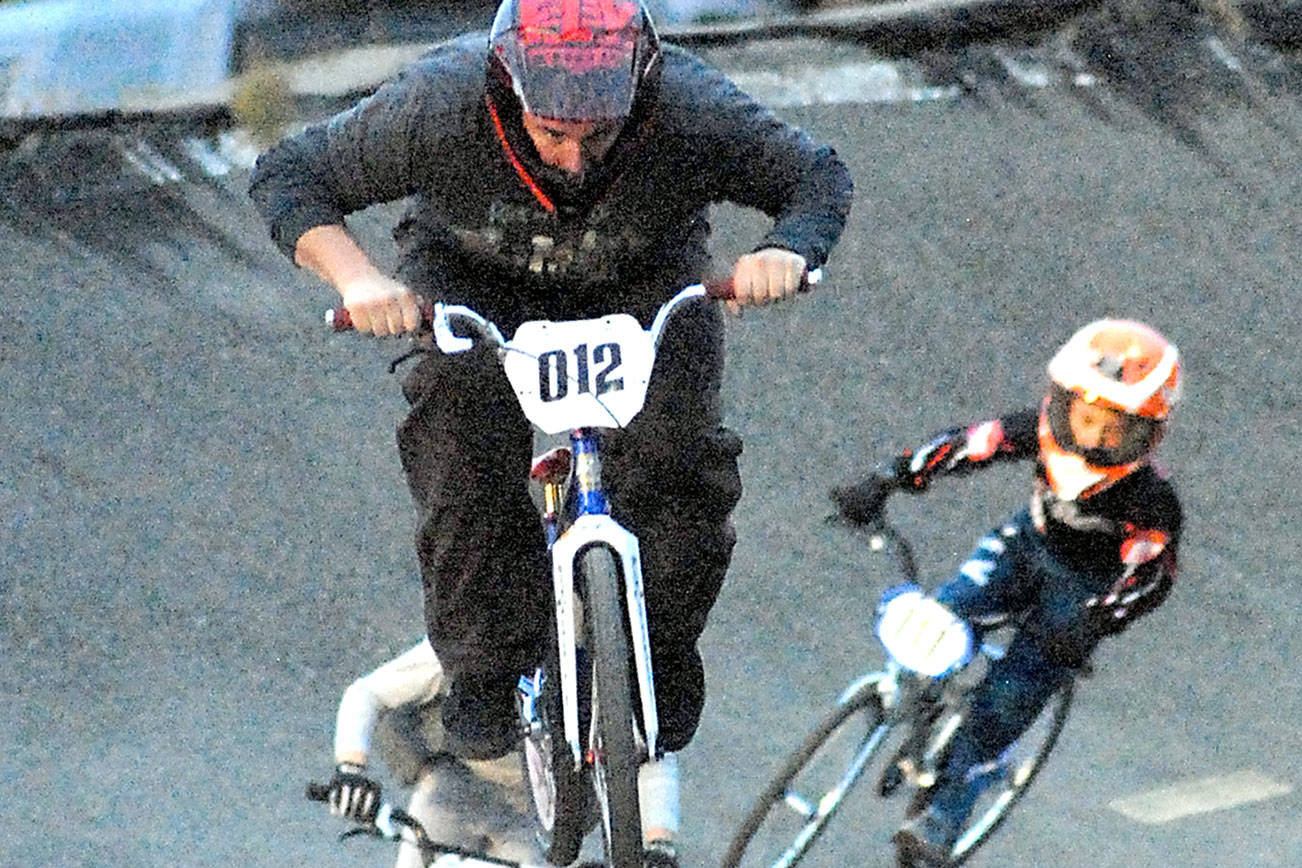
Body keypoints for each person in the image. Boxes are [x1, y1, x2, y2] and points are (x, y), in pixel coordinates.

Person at [249, 0, 852, 863]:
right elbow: (290, 173)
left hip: (645, 283)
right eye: (552, 133)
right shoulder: (437, 104)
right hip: (471, 280)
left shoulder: (693, 108)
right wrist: (359, 279)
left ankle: (662, 652)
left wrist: (789, 251)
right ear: (505, 90)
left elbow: (816, 177)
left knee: (682, 459)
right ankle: (484, 669)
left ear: (642, 93)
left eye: (598, 137)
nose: (573, 159)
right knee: (460, 443)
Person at [830, 319, 1183, 865]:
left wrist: (1095, 623)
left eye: (1114, 431)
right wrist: (886, 480)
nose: (1091, 439)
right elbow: (966, 447)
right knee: (942, 614)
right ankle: (917, 699)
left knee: (1007, 700)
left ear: (1147, 437)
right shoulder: (1035, 431)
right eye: (1085, 419)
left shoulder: (1151, 503)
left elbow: (1149, 576)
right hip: (1023, 548)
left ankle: (947, 810)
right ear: (1059, 403)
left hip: (1081, 596)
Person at [322, 637, 544, 868]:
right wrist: (350, 770)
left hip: (529, 811)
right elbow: (367, 694)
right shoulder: (467, 639)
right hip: (455, 791)